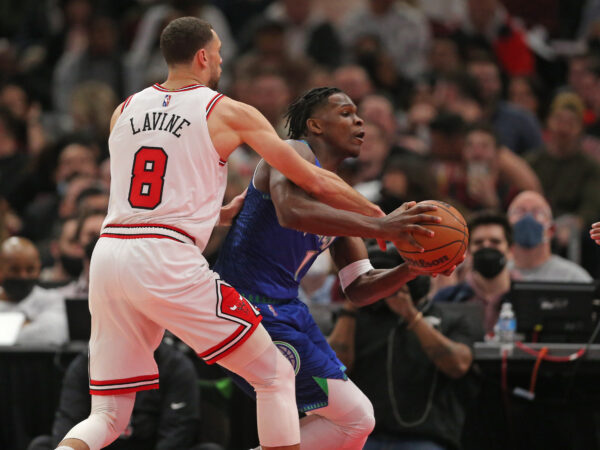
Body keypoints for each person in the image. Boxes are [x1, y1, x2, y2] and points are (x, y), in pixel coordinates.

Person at [55, 17, 388, 450]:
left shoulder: (125, 108)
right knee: (274, 373)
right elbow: (313, 178)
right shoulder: (226, 110)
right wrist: (379, 218)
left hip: (111, 254)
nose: (221, 62)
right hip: (166, 260)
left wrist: (217, 212)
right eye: (219, 54)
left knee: (109, 415)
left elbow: (147, 196)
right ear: (203, 56)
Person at [214, 86, 460, 449]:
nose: (359, 120)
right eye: (345, 113)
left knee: (353, 423)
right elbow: (289, 210)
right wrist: (379, 225)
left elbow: (359, 287)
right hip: (244, 305)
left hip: (285, 310)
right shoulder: (293, 152)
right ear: (315, 125)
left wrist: (414, 266)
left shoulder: (341, 197)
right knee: (354, 417)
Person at [328, 247, 482, 450]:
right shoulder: (354, 320)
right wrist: (355, 300)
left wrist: (411, 315)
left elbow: (458, 365)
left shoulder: (451, 320)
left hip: (425, 438)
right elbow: (332, 371)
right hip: (363, 436)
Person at [29, 341, 207, 450]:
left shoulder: (176, 365)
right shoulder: (85, 363)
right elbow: (68, 421)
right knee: (42, 445)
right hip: (100, 445)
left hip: (150, 445)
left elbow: (178, 431)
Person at [433, 211, 513, 334]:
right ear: (468, 252)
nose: (486, 246)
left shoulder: (526, 298)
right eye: (478, 243)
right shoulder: (447, 298)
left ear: (510, 251)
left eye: (495, 242)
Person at [507, 191, 593, 282]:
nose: (528, 218)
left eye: (537, 212)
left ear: (551, 230)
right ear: (507, 227)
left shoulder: (573, 278)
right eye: (520, 212)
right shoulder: (499, 275)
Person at [0, 236, 68, 345]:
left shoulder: (53, 299)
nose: (23, 276)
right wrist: (26, 324)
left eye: (30, 269)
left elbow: (53, 334)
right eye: (14, 269)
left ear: (39, 268)